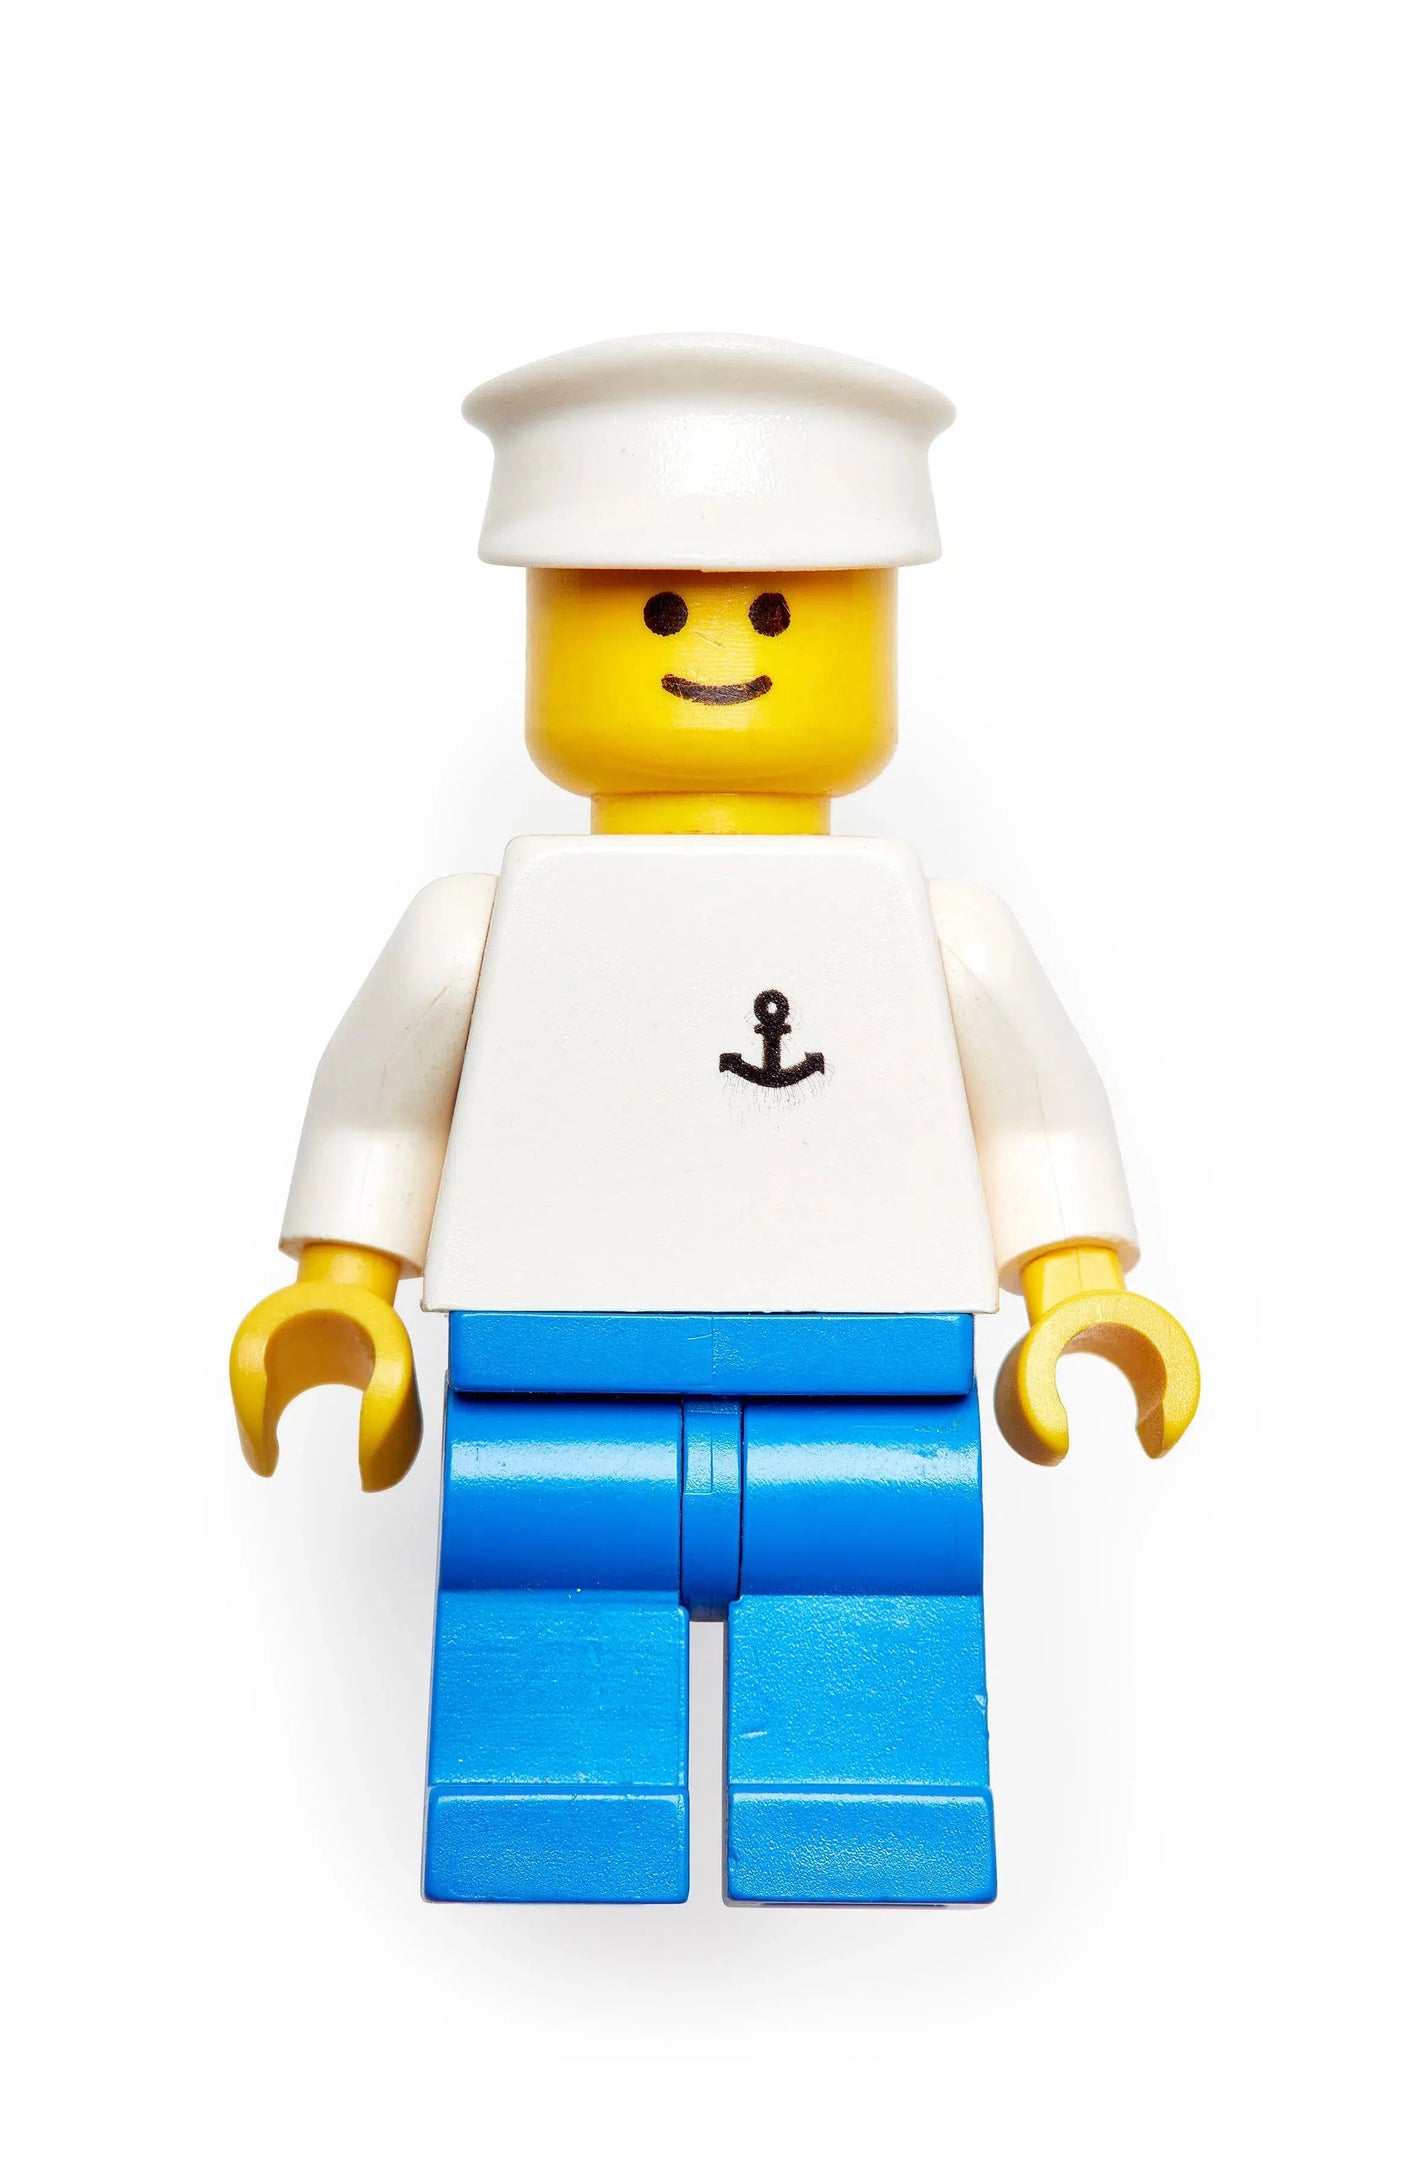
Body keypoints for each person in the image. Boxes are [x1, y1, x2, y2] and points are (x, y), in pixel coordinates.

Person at [230, 333, 1199, 1905]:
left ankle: (866, 1813)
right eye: (658, 610)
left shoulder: (934, 930)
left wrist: (1078, 1287)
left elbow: (1034, 1121)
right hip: (548, 1374)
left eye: (779, 610)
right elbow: (381, 1115)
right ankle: (547, 1812)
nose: (720, 645)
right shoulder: (484, 927)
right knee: (541, 1597)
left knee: (873, 1601)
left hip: (871, 1382)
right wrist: (340, 1287)